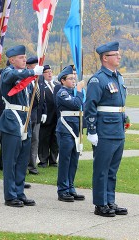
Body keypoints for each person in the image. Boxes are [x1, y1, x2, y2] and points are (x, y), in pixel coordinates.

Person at [0, 45, 43, 207]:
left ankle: (19, 192)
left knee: (23, 160)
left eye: (25, 57)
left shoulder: (26, 78)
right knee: (11, 161)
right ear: (11, 60)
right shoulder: (8, 73)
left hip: (25, 119)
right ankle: (10, 195)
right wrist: (32, 72)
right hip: (11, 119)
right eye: (21, 58)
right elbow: (13, 75)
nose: (24, 60)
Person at [85, 41, 128, 217]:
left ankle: (110, 200)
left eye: (119, 54)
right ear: (105, 58)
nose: (119, 56)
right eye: (115, 54)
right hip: (104, 131)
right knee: (102, 169)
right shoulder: (98, 79)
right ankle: (100, 204)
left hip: (117, 130)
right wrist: (92, 130)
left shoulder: (118, 77)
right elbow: (90, 107)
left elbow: (119, 105)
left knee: (112, 170)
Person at [55, 65, 85, 202]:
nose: (74, 81)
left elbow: (82, 108)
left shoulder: (74, 92)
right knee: (65, 160)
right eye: (70, 78)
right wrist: (79, 90)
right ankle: (62, 189)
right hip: (66, 130)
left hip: (76, 129)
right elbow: (75, 104)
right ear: (63, 80)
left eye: (74, 78)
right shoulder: (62, 93)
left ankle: (70, 187)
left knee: (74, 160)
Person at [26, 57, 47, 175]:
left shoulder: (40, 78)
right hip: (28, 114)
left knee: (35, 141)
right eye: (34, 65)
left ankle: (32, 166)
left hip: (38, 115)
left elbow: (42, 96)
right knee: (26, 141)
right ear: (28, 67)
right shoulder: (26, 78)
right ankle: (23, 166)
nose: (37, 68)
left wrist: (44, 111)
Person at [38, 65, 59, 168]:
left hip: (56, 118)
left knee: (55, 140)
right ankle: (43, 160)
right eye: (47, 72)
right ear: (43, 74)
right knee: (44, 140)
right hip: (46, 118)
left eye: (51, 71)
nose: (50, 73)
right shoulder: (41, 85)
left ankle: (53, 160)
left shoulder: (56, 85)